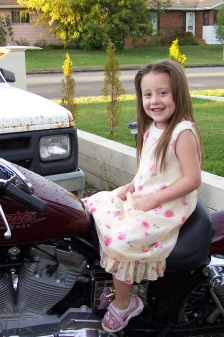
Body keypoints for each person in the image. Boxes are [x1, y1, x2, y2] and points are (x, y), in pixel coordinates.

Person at [82, 59, 204, 333]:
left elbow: (192, 179)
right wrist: (131, 185)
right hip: (146, 195)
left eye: (163, 92)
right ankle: (108, 282)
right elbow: (151, 170)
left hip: (166, 206)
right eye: (148, 94)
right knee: (96, 203)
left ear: (178, 93)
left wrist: (153, 200)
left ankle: (126, 303)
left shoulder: (182, 132)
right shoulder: (152, 127)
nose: (154, 101)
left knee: (120, 240)